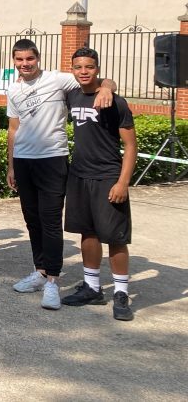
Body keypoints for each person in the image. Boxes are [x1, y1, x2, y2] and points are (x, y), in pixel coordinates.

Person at [6, 38, 116, 310]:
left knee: (51, 221)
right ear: (14, 61)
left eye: (29, 58)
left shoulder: (57, 80)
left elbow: (96, 79)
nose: (25, 64)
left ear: (38, 58)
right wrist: (11, 165)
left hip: (52, 160)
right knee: (32, 220)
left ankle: (53, 281)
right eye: (19, 59)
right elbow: (13, 129)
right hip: (23, 160)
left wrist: (106, 88)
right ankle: (40, 271)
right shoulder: (13, 89)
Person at [60, 48, 137, 320]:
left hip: (108, 177)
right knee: (87, 233)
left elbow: (131, 146)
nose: (83, 71)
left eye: (89, 67)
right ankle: (92, 287)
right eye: (78, 67)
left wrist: (122, 183)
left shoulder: (116, 102)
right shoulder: (71, 95)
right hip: (79, 176)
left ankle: (121, 293)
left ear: (98, 69)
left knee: (115, 237)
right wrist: (106, 84)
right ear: (72, 69)